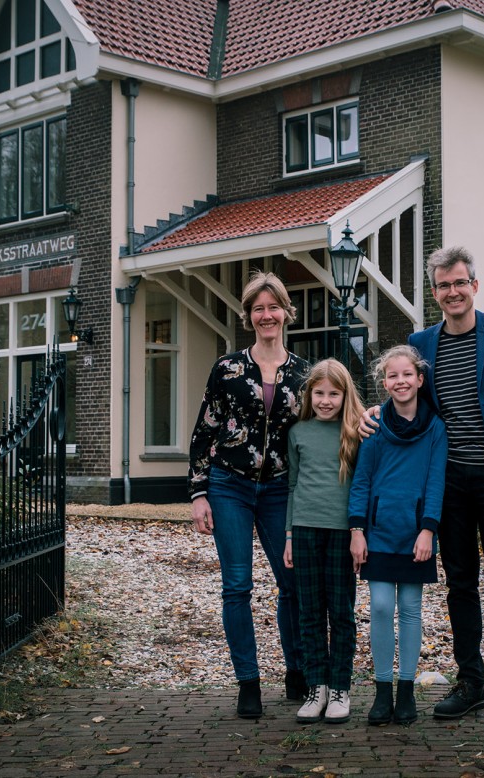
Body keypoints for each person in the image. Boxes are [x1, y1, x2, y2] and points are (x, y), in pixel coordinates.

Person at [361, 246, 484, 729]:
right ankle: (471, 685)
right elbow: (410, 398)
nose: (453, 292)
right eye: (443, 285)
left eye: (460, 282)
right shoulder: (421, 343)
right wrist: (376, 411)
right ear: (435, 293)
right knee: (460, 585)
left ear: (474, 286)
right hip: (449, 483)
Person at [188, 270, 309, 719]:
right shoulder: (227, 369)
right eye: (258, 308)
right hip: (230, 485)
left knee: (292, 583)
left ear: (286, 312)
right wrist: (199, 493)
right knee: (237, 586)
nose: (266, 315)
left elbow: (326, 425)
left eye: (273, 306)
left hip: (280, 488)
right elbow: (204, 431)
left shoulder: (304, 372)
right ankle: (248, 682)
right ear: (249, 316)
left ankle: (297, 671)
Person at [349, 345, 448, 725]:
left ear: (420, 379)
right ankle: (381, 690)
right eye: (393, 375)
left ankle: (406, 690)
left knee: (409, 609)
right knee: (379, 607)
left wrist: (428, 530)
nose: (401, 381)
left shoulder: (435, 428)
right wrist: (357, 530)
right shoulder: (374, 425)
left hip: (416, 535)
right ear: (385, 382)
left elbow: (436, 481)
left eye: (407, 374)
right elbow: (361, 480)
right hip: (378, 533)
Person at [282, 358, 366, 724]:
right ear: (309, 395)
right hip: (304, 529)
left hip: (341, 533)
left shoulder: (357, 432)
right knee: (310, 612)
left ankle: (340, 688)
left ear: (345, 396)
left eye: (334, 394)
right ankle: (317, 687)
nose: (326, 401)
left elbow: (363, 485)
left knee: (341, 613)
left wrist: (359, 533)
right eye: (319, 393)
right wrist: (288, 535)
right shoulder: (298, 432)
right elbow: (292, 485)